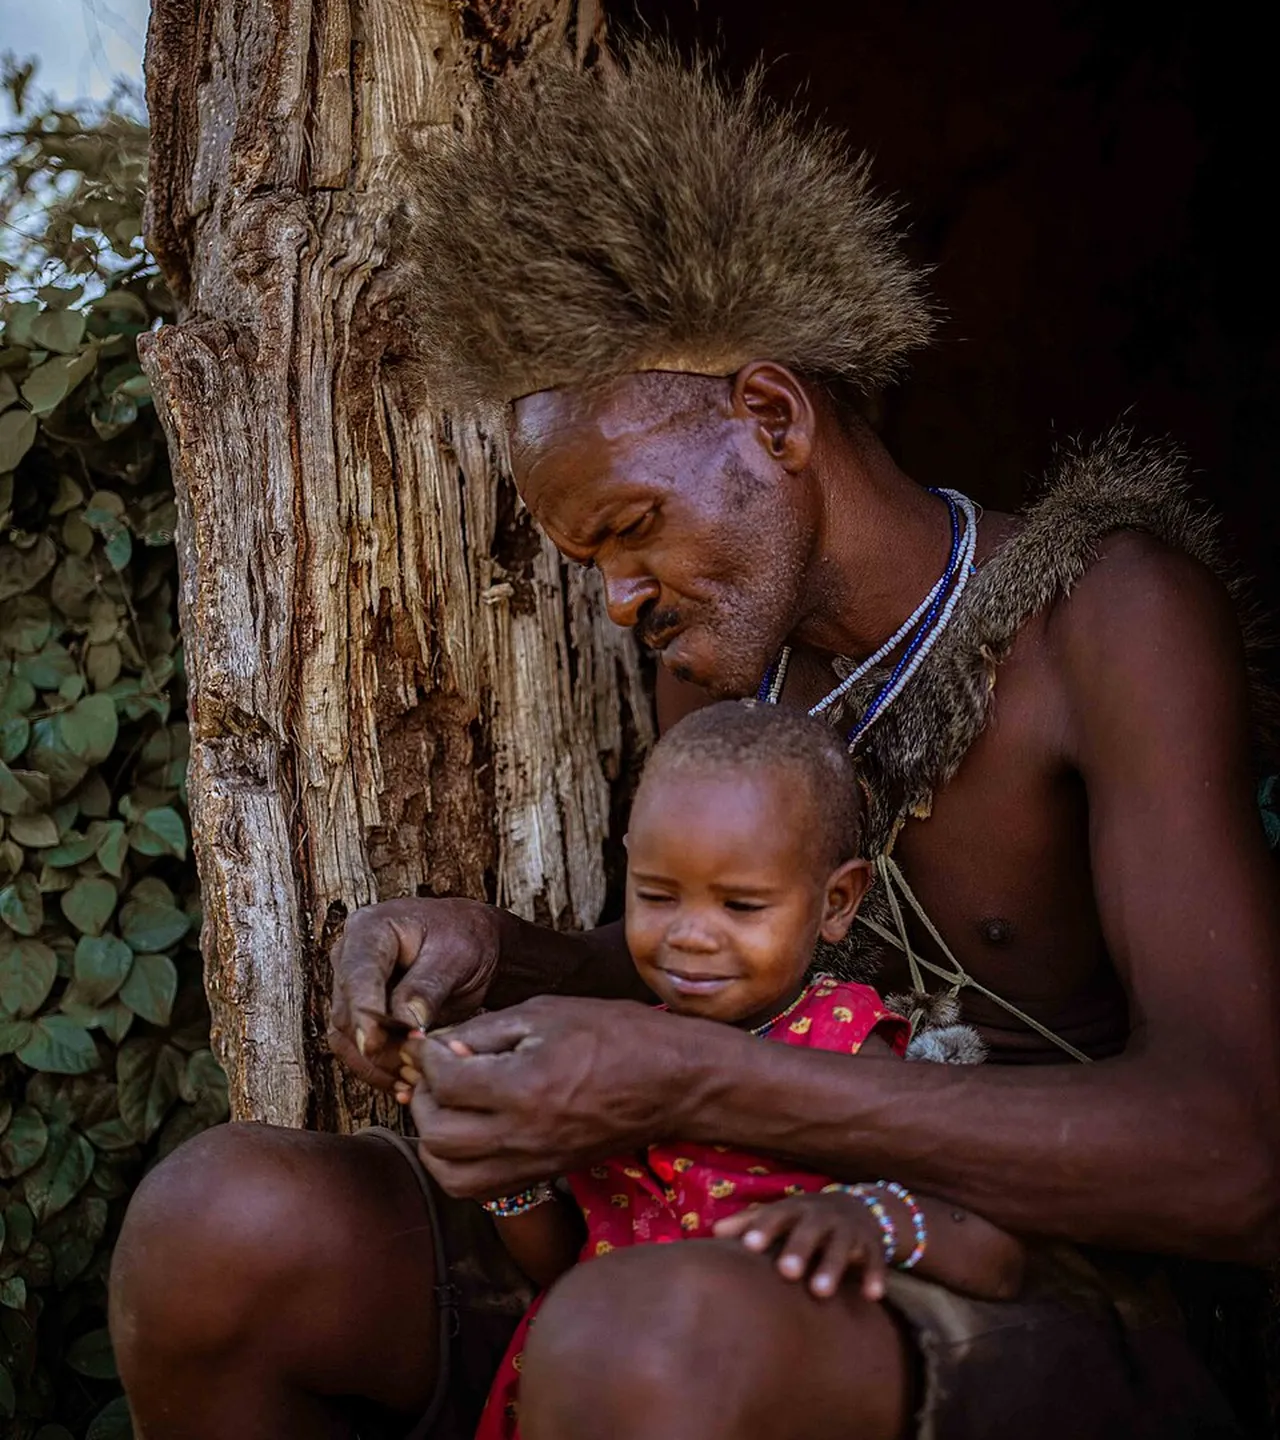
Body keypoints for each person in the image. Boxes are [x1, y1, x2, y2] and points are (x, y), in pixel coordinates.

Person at [110, 43, 1278, 1440]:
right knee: (224, 1225)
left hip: (1028, 1273)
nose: (615, 596)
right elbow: (723, 967)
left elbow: (1243, 1156)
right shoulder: (735, 681)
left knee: (640, 1338)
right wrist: (512, 957)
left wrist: (701, 1080)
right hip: (711, 1208)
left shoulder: (1106, 621)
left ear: (770, 418)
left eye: (629, 528)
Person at [460, 700, 1023, 1440]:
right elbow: (566, 1265)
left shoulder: (847, 1044)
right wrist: (506, 1173)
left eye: (741, 905)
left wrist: (869, 1219)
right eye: (657, 895)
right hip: (578, 1387)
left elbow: (994, 1250)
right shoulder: (618, 1054)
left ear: (837, 903)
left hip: (743, 1389)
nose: (691, 936)